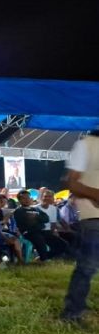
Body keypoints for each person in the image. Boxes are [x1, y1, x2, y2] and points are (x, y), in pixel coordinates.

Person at [61, 132, 99, 323]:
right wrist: (96, 194)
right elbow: (71, 182)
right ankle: (72, 313)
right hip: (94, 216)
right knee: (87, 267)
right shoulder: (87, 145)